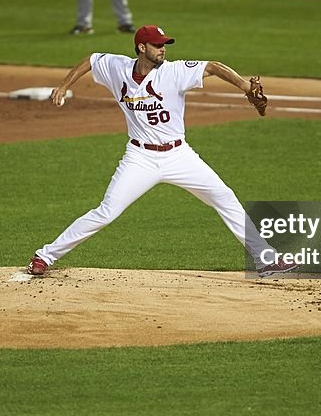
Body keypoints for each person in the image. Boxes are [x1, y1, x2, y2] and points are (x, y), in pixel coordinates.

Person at [27, 24, 298, 278]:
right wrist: (64, 85)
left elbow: (213, 67)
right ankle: (45, 256)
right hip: (140, 158)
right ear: (142, 48)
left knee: (224, 197)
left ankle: (265, 258)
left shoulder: (174, 71)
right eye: (157, 45)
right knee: (106, 211)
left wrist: (243, 85)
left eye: (165, 44)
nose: (163, 49)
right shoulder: (118, 68)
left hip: (179, 156)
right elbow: (91, 59)